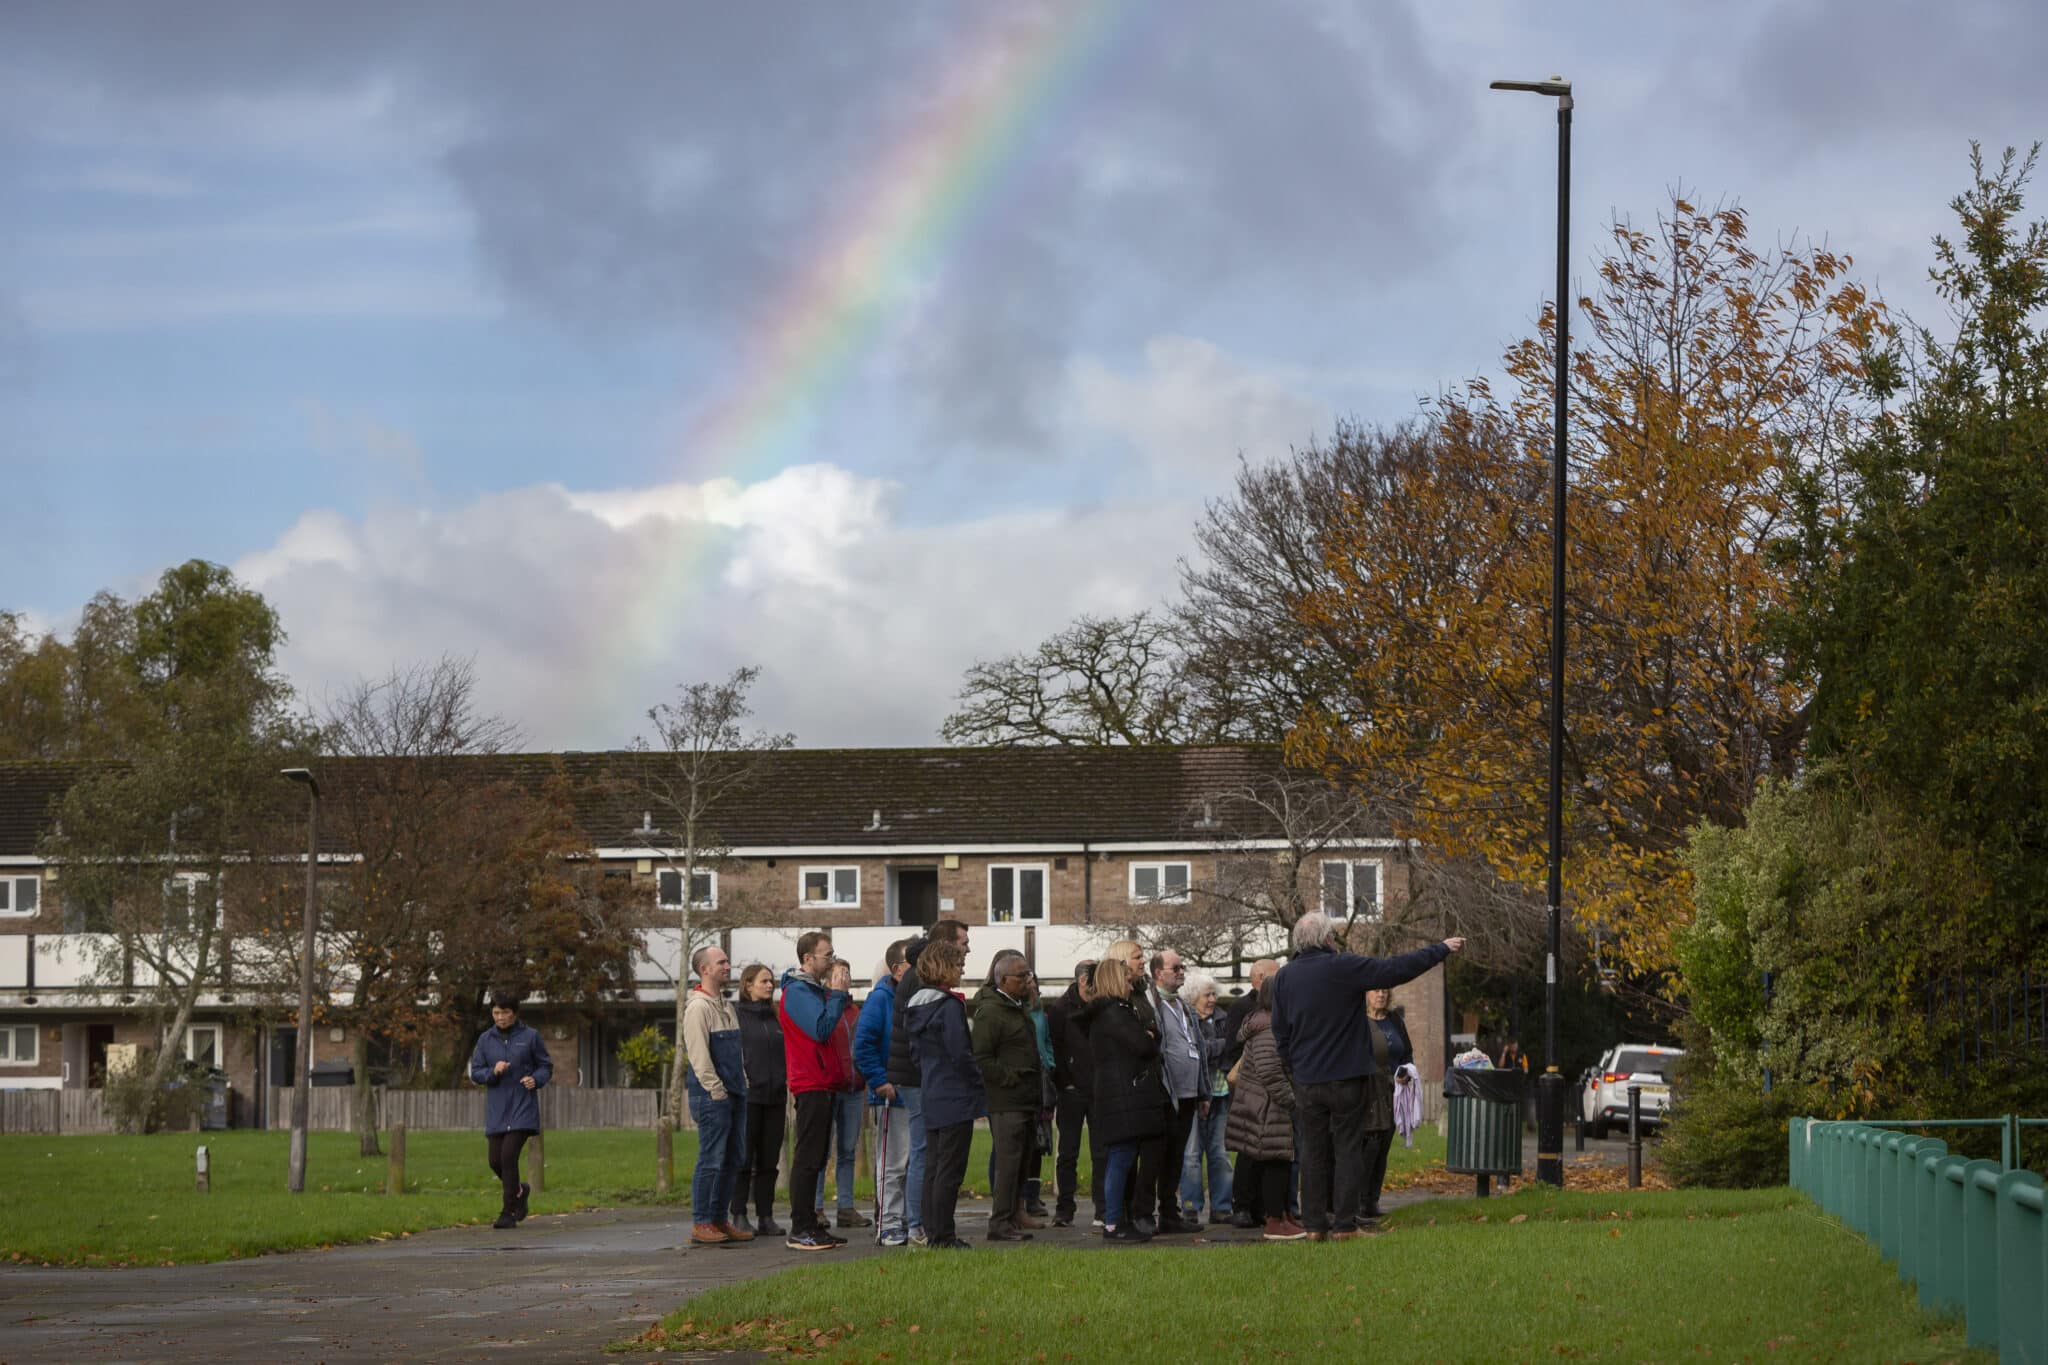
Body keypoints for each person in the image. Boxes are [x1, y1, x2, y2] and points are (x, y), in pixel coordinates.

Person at [1270, 913, 1463, 1241]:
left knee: (1312, 1154)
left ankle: (1315, 1226)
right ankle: (1345, 1225)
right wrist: (1440, 949)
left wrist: (1295, 1069)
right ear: (1326, 939)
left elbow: (1280, 1032)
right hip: (1348, 1076)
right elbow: (1395, 969)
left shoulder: (1284, 978)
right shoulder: (1343, 966)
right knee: (1348, 1150)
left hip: (1308, 1081)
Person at [886, 917, 970, 1247]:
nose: (966, 951)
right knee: (928, 1154)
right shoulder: (928, 988)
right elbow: (953, 1049)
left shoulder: (916, 980)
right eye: (962, 944)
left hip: (922, 1074)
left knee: (929, 1153)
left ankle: (925, 1224)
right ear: (946, 948)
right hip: (923, 1078)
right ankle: (921, 1225)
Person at [903, 939, 983, 1251]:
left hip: (931, 1091)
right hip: (955, 1095)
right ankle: (944, 1236)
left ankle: (933, 1231)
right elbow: (961, 1053)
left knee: (934, 1168)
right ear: (945, 967)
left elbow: (915, 1055)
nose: (962, 970)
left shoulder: (915, 1005)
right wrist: (977, 1085)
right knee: (950, 1170)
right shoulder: (948, 1006)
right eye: (959, 965)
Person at [779, 930, 855, 1251]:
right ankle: (800, 1228)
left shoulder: (813, 991)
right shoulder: (797, 992)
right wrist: (837, 995)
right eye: (827, 955)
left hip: (823, 1083)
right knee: (808, 1158)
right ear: (808, 958)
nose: (832, 960)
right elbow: (821, 1029)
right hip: (810, 1084)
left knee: (818, 1157)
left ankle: (811, 1224)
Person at [1086, 956, 1163, 1243]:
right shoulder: (1116, 1013)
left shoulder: (1102, 1014)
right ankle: (1113, 1222)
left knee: (1121, 1158)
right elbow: (1143, 1046)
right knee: (1120, 1159)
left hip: (1115, 1094)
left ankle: (1116, 1219)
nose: (1132, 987)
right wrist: (1150, 1035)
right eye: (1128, 981)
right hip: (1123, 1096)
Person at [680, 944, 752, 1246]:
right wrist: (717, 1091)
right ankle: (702, 1222)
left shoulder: (726, 1006)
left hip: (735, 1093)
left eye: (727, 960)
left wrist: (742, 1084)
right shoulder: (698, 1009)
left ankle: (720, 1218)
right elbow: (699, 1058)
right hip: (713, 1096)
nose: (727, 965)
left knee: (733, 1157)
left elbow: (736, 1054)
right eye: (721, 962)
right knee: (711, 1158)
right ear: (704, 969)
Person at [1223, 976, 1304, 1240]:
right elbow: (1270, 1071)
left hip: (1264, 1104)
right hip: (1268, 1106)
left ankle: (1281, 1215)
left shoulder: (1267, 1025)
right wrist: (1292, 1099)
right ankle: (1274, 1221)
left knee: (1278, 1161)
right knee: (1275, 1161)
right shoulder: (1269, 1029)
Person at [971, 950, 1042, 1241]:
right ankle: (999, 1223)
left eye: (1028, 974)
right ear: (1003, 979)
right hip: (1007, 1100)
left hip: (1025, 1098)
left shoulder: (1017, 1006)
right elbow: (982, 1057)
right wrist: (1010, 1077)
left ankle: (1012, 1216)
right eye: (1021, 976)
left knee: (1022, 1161)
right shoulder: (990, 1012)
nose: (1027, 980)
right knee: (1008, 1163)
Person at [467, 993, 551, 1230]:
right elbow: (476, 1072)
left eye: (505, 1012)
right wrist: (493, 1072)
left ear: (514, 1013)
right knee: (495, 1160)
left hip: (523, 1108)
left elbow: (545, 1066)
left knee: (508, 1156)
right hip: (498, 1109)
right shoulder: (485, 1040)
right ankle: (519, 1191)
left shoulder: (531, 1037)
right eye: (495, 1013)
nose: (500, 1017)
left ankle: (508, 1212)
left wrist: (535, 1079)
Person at [1137, 949, 1203, 1235]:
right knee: (1156, 1155)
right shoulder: (1152, 1003)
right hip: (1165, 1092)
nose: (1180, 971)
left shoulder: (1183, 1006)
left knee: (1176, 1155)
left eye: (1181, 967)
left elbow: (1196, 1045)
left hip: (1188, 1093)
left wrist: (1203, 1092)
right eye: (1175, 967)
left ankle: (1169, 1211)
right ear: (1158, 972)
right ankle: (1144, 1212)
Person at [855, 939, 913, 1246]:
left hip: (912, 1093)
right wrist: (880, 1082)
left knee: (909, 1162)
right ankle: (888, 1223)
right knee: (892, 1162)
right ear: (897, 969)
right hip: (891, 1095)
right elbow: (862, 1044)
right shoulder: (881, 1000)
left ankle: (904, 1217)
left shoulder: (911, 997)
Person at [1220, 959, 1279, 1229]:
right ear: (1259, 978)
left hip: (1272, 1089)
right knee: (1248, 1149)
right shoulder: (1242, 1008)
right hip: (1250, 1088)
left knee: (1267, 1151)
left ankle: (1261, 1207)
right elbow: (1232, 1050)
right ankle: (1242, 1205)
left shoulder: (1279, 1009)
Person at [815, 958, 872, 1231]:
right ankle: (815, 1208)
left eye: (848, 973)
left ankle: (845, 1207)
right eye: (840, 973)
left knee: (848, 1150)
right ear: (827, 978)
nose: (845, 978)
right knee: (821, 1151)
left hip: (853, 1088)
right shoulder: (823, 1007)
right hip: (829, 1088)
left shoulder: (855, 1011)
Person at [730, 963, 786, 1236]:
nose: (769, 985)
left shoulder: (775, 1018)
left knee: (769, 1161)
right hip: (749, 1098)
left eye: (771, 982)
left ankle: (766, 1216)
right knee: (744, 1158)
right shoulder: (737, 1015)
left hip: (776, 1097)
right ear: (748, 985)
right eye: (764, 981)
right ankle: (738, 1213)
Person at [1045, 959, 1102, 1227]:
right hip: (1071, 1091)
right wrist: (1065, 1082)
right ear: (1083, 981)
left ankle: (1102, 1207)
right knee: (1068, 1151)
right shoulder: (1060, 1010)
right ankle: (1064, 1208)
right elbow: (1054, 1046)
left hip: (1098, 1088)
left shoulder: (1101, 1005)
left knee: (1101, 1150)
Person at [1179, 972, 1234, 1225]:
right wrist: (1214, 1047)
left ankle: (1222, 1206)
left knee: (1219, 1153)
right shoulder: (1185, 1018)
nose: (1212, 999)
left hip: (1220, 1093)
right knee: (1190, 1154)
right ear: (1193, 997)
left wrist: (1210, 1048)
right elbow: (1197, 1052)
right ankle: (1190, 1207)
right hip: (1192, 1095)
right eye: (1207, 995)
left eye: (1214, 994)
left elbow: (1226, 1051)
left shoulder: (1223, 1018)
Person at [1360, 987, 1414, 1223]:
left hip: (1395, 1093)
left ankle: (1372, 1200)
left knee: (1383, 1147)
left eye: (1384, 991)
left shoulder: (1394, 1021)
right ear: (1366, 994)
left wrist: (1407, 1071)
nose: (1380, 995)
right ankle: (1359, 1201)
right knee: (1370, 1145)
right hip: (1369, 1093)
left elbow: (1407, 1054)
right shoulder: (1359, 1022)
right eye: (1375, 991)